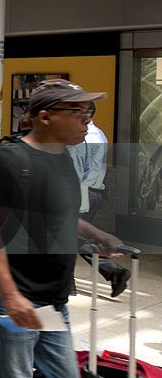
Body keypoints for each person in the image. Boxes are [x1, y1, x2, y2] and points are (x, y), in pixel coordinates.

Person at [0, 80, 125, 378]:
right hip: (9, 295)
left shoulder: (60, 158)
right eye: (77, 111)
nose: (87, 119)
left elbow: (58, 214)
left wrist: (95, 233)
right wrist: (11, 298)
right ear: (44, 116)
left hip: (47, 294)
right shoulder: (7, 161)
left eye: (88, 110)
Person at [68, 101, 130, 297]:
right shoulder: (99, 133)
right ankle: (114, 272)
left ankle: (67, 285)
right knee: (77, 236)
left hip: (81, 191)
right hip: (96, 190)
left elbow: (78, 169)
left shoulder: (80, 137)